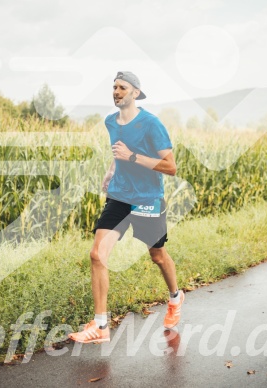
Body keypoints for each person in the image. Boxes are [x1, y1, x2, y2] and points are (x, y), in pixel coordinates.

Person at [69, 71, 184, 344]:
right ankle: (100, 326)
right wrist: (111, 171)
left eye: (122, 87)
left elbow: (171, 167)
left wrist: (132, 157)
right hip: (119, 196)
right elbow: (118, 152)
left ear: (135, 93)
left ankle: (176, 298)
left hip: (147, 198)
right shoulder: (111, 122)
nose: (117, 91)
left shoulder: (151, 124)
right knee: (97, 255)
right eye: (114, 87)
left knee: (157, 256)